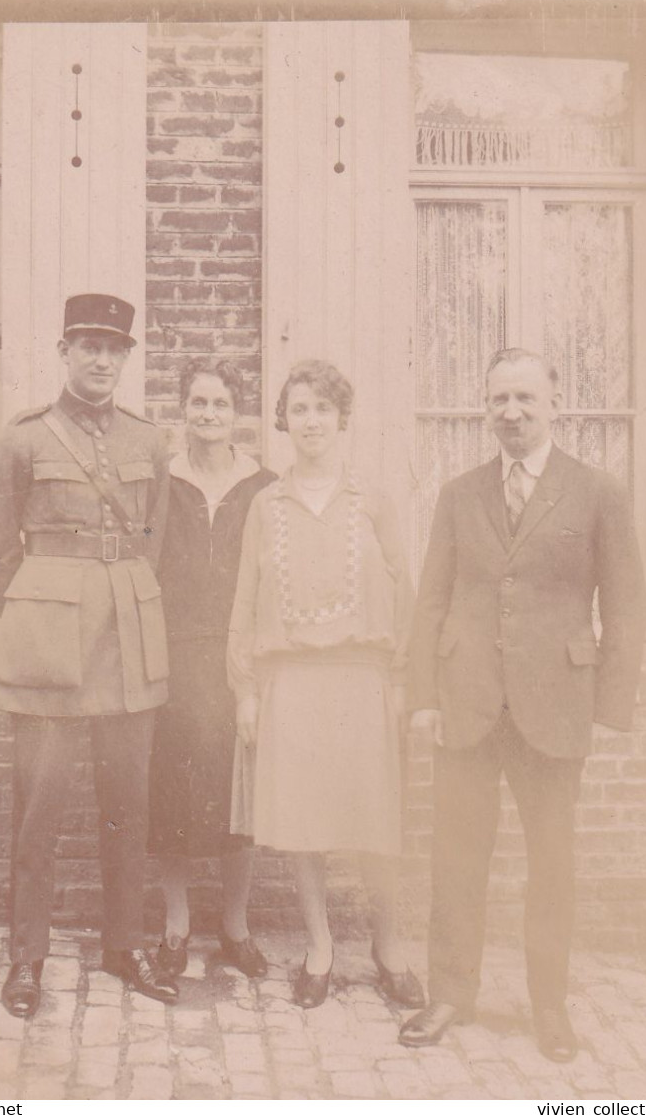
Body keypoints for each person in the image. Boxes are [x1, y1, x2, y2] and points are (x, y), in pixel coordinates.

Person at [400, 347, 646, 1061]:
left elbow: (625, 603)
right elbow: (431, 598)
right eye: (498, 400)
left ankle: (548, 1007)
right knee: (455, 858)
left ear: (553, 406)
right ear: (486, 407)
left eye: (525, 400)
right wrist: (421, 696)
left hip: (554, 707)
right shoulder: (458, 492)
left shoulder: (596, 491)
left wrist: (609, 704)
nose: (511, 413)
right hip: (467, 703)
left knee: (552, 863)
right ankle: (449, 992)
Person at [0, 293, 178, 1017]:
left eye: (113, 347)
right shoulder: (24, 439)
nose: (100, 358)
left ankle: (124, 945)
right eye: (87, 343)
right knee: (40, 807)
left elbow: (157, 542)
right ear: (64, 350)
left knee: (128, 804)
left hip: (127, 640)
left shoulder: (149, 441)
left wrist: (114, 596)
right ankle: (26, 956)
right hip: (49, 648)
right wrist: (36, 614)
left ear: (125, 357)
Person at [227, 360, 424, 1010]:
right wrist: (247, 690)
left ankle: (389, 947)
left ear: (342, 418)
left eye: (322, 408)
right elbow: (244, 602)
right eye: (299, 408)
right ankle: (320, 948)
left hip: (362, 682)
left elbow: (404, 594)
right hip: (292, 683)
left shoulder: (372, 500)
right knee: (302, 825)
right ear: (286, 420)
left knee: (375, 825)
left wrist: (400, 680)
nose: (310, 420)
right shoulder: (265, 505)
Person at [147, 360, 276, 977]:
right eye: (197, 402)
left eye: (220, 404)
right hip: (173, 655)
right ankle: (176, 925)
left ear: (237, 414)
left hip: (238, 658)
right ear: (182, 410)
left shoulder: (262, 488)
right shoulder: (161, 483)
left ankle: (235, 925)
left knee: (238, 794)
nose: (208, 415)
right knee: (171, 789)